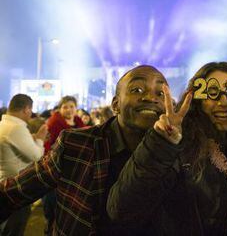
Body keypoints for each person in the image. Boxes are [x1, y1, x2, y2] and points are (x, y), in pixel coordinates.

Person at [0, 65, 168, 235]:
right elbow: (16, 191)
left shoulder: (179, 153)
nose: (150, 98)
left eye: (160, 93)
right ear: (116, 104)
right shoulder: (76, 144)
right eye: (137, 89)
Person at [106, 62, 227, 235]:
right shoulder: (179, 145)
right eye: (212, 93)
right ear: (195, 100)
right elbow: (122, 210)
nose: (223, 102)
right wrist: (161, 144)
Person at [0, 94, 48, 236]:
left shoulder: (4, 124)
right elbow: (36, 156)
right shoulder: (16, 128)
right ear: (27, 109)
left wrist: (31, 139)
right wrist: (40, 139)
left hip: (5, 184)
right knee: (14, 229)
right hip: (15, 188)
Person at [42, 95, 86, 234]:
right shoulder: (53, 123)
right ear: (60, 108)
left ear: (76, 108)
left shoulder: (80, 123)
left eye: (72, 106)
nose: (69, 110)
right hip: (58, 170)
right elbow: (47, 147)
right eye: (65, 107)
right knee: (54, 206)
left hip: (76, 171)